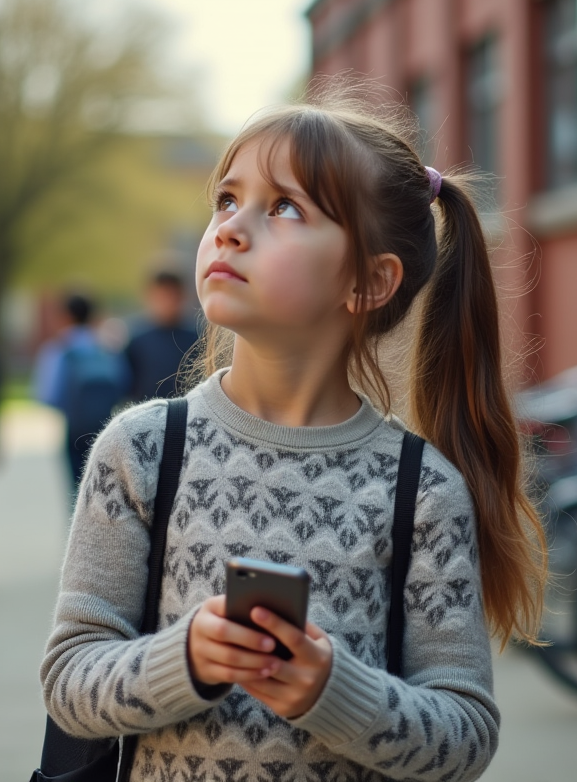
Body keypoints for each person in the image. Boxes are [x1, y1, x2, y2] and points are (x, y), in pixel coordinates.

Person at [40, 89, 547, 781]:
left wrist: (333, 691)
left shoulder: (421, 490)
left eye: (284, 207)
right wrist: (183, 658)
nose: (231, 227)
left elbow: (464, 737)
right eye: (226, 199)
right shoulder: (142, 452)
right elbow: (70, 683)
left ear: (370, 282)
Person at [31, 293, 127, 491]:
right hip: (104, 425)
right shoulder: (106, 346)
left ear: (65, 316)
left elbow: (48, 394)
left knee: (76, 489)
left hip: (74, 426)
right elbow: (123, 382)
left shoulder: (60, 348)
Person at [123, 271, 199, 401]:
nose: (166, 303)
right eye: (161, 297)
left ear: (182, 297)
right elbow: (129, 385)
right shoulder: (138, 341)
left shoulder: (196, 339)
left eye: (171, 296)